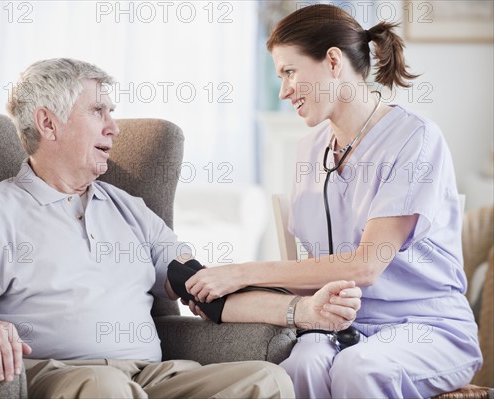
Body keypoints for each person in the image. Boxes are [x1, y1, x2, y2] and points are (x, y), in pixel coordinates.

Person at [0, 58, 362, 398]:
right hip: (65, 374)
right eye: (98, 111)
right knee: (105, 386)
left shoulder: (126, 207)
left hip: (148, 375)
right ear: (48, 122)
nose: (115, 126)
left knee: (266, 380)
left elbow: (199, 286)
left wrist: (301, 313)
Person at [184, 4, 483, 398]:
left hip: (426, 327)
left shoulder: (416, 140)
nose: (284, 90)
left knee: (359, 369)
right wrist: (231, 297)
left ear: (332, 61)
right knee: (299, 365)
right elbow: (314, 271)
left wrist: (240, 272)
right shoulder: (309, 151)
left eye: (290, 71)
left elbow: (364, 266)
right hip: (342, 324)